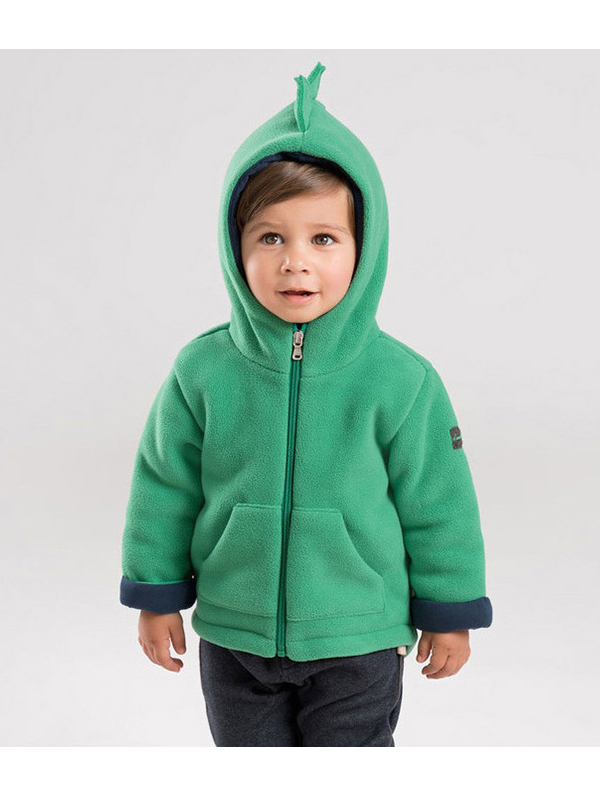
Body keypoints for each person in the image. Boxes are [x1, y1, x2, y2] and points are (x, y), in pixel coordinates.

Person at [119, 61, 493, 747]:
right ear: (234, 247)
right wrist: (156, 594)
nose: (296, 261)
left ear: (364, 247)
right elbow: (164, 486)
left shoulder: (401, 380)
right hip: (234, 636)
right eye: (271, 237)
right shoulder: (202, 370)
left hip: (359, 637)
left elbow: (439, 503)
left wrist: (449, 609)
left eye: (323, 238)